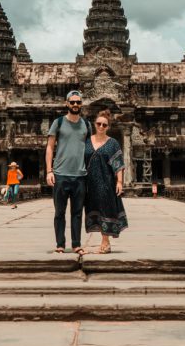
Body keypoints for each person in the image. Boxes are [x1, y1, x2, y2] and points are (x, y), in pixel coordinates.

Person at [45, 90, 91, 255]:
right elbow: (50, 147)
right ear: (67, 103)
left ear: (81, 104)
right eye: (72, 102)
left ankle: (77, 244)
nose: (75, 105)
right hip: (60, 174)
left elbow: (90, 149)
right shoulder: (58, 123)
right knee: (59, 212)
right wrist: (49, 171)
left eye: (78, 102)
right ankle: (60, 244)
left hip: (80, 175)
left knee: (77, 212)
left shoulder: (86, 124)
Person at [84, 109, 128, 253]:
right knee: (93, 210)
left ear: (108, 127)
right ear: (94, 124)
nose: (101, 127)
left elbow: (118, 164)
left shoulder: (112, 143)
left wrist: (120, 182)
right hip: (89, 184)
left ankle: (105, 242)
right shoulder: (86, 141)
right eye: (99, 124)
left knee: (106, 210)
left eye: (104, 125)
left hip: (106, 182)